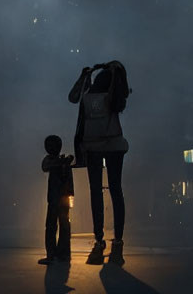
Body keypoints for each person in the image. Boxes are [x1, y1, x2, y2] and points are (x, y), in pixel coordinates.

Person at [69, 60, 129, 266]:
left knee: (96, 192)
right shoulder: (113, 96)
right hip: (112, 145)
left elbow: (72, 98)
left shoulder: (89, 96)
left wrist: (84, 76)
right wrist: (114, 70)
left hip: (93, 147)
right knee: (115, 190)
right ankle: (117, 240)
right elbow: (120, 100)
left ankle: (99, 240)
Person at [38, 134, 74, 265]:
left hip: (59, 198)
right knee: (56, 226)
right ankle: (55, 254)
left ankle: (58, 254)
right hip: (56, 199)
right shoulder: (55, 161)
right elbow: (45, 166)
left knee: (59, 226)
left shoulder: (61, 162)